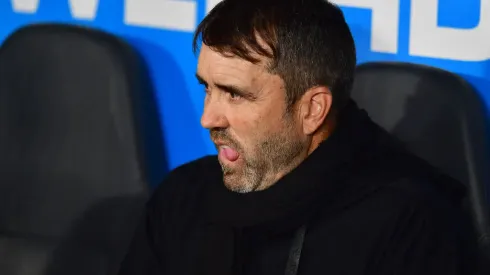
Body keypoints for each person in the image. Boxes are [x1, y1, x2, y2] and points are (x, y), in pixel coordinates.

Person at [117, 0, 479, 274]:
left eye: (235, 94)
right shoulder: (183, 196)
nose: (207, 118)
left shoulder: (413, 225)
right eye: (207, 88)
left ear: (312, 110)